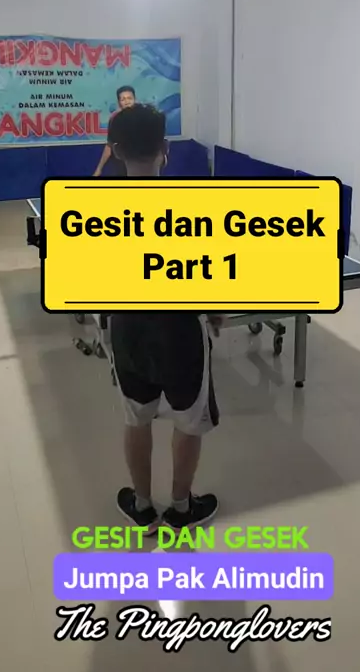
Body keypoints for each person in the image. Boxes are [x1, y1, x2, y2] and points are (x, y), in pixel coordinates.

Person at [109, 104, 219, 532]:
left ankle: (141, 505)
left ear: (116, 150)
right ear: (166, 148)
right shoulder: (192, 207)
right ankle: (180, 507)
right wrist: (215, 311)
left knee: (135, 417)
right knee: (189, 421)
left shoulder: (95, 212)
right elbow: (211, 269)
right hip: (181, 332)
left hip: (128, 331)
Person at [93, 86, 136, 177]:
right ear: (119, 103)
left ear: (135, 99)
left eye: (129, 98)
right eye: (123, 99)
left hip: (140, 165)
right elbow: (109, 145)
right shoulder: (114, 119)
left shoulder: (145, 118)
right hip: (121, 165)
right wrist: (99, 169)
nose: (127, 102)